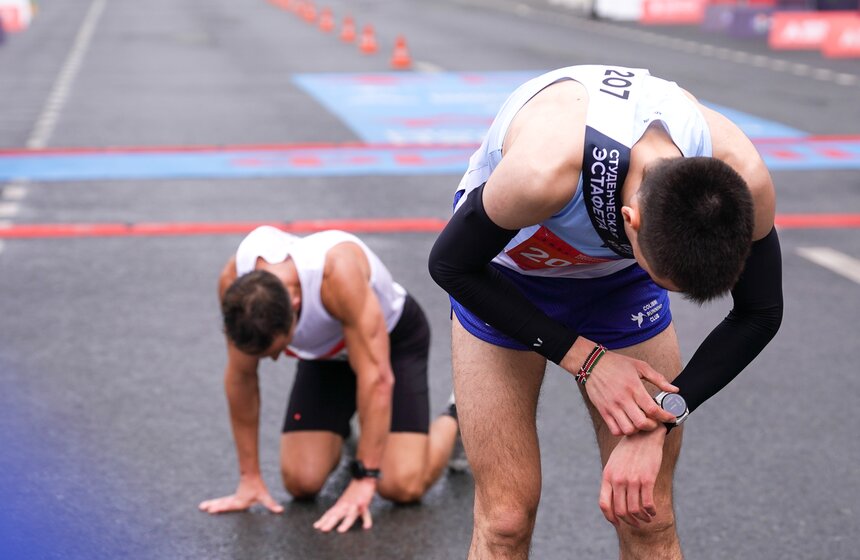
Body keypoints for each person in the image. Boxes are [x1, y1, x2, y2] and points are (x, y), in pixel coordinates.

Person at [428, 64, 783, 559]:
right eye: (666, 281)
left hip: (619, 286)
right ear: (631, 222)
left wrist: (665, 417)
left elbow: (760, 313)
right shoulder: (544, 169)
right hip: (504, 275)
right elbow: (449, 266)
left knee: (649, 515)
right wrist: (586, 360)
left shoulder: (743, 175)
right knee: (506, 519)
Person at [200, 226, 461, 533]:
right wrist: (249, 478)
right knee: (302, 481)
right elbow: (241, 377)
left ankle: (457, 418)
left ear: (295, 306)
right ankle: (354, 434)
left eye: (278, 349)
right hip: (327, 355)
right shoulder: (236, 284)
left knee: (400, 485)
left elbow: (376, 379)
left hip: (390, 344)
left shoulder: (337, 273)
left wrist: (365, 478)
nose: (273, 359)